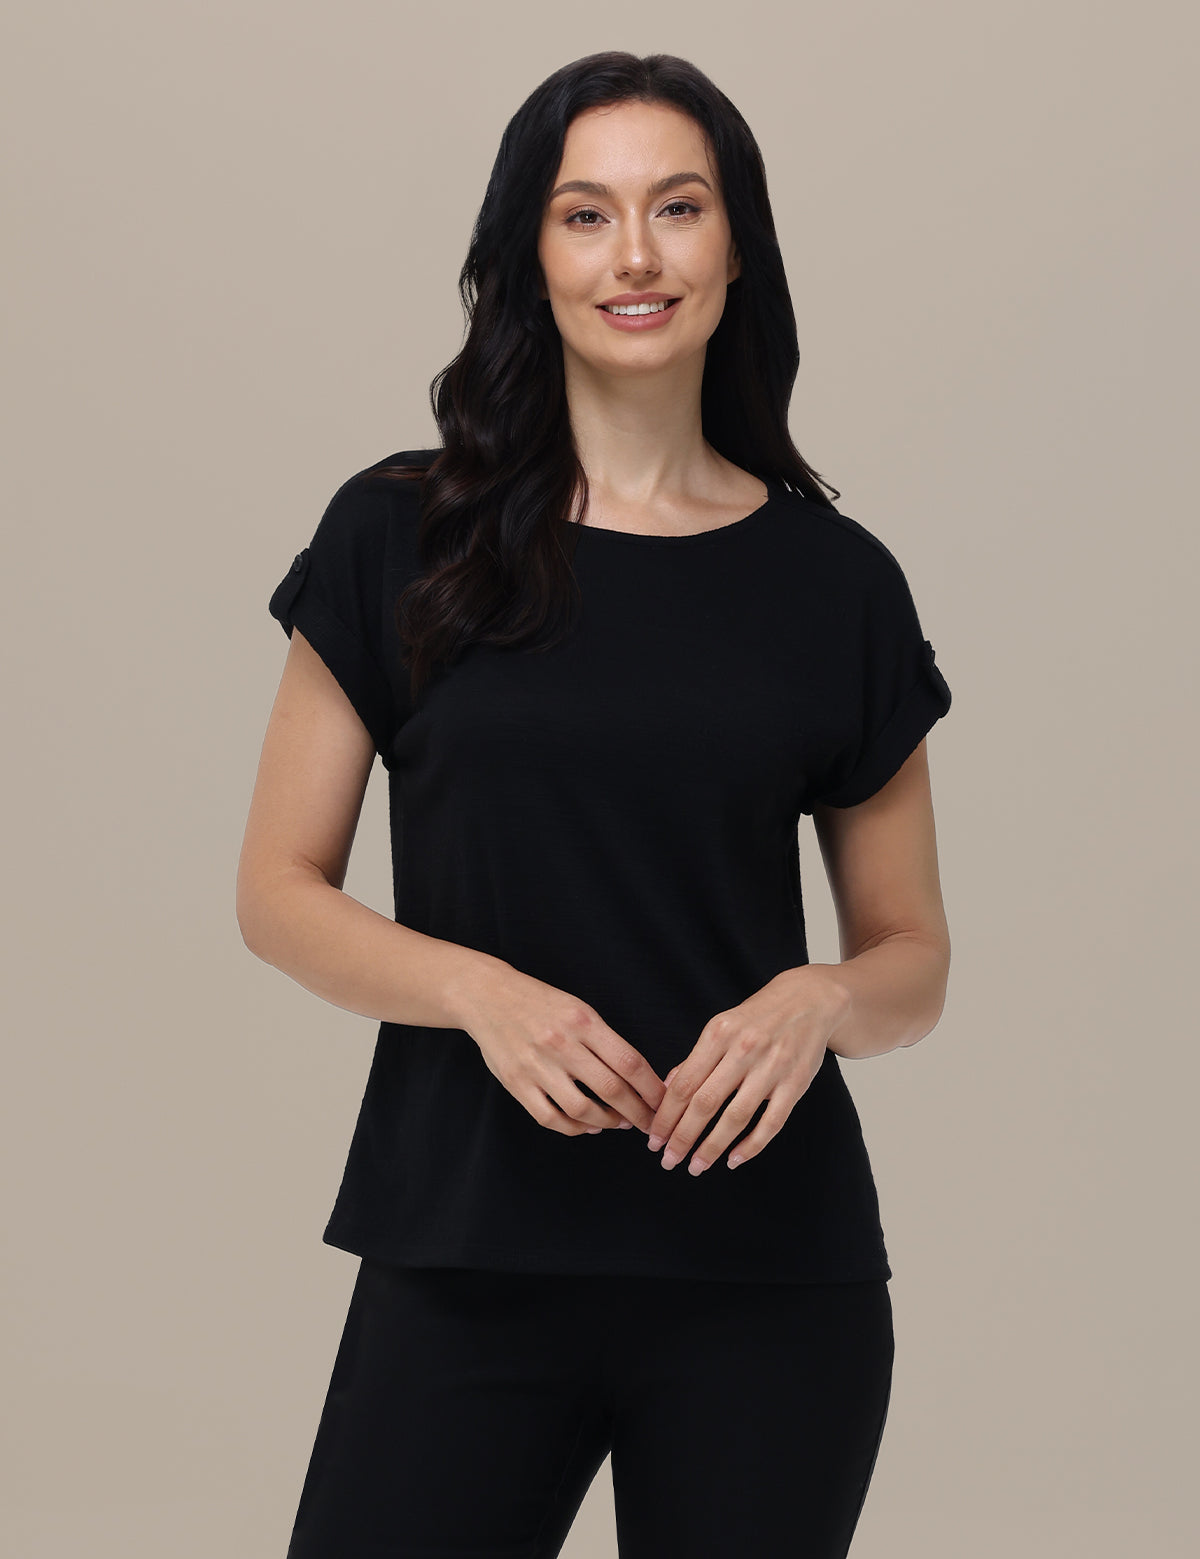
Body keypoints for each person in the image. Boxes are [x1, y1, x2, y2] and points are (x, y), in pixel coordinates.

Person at [237, 49, 953, 1559]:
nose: (635, 254)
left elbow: (912, 959)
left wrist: (820, 999)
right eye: (586, 214)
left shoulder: (837, 584)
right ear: (531, 254)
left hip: (770, 1278)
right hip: (466, 1247)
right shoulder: (400, 536)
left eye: (678, 207)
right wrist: (477, 993)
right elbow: (277, 893)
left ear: (737, 247)